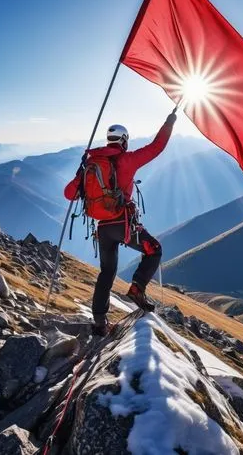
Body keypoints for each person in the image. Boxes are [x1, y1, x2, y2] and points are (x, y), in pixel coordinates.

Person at [64, 113, 176, 335]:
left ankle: (99, 322)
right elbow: (157, 147)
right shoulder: (127, 159)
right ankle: (137, 289)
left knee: (107, 272)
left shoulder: (92, 163)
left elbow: (69, 193)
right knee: (154, 250)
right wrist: (169, 122)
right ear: (124, 141)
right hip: (123, 224)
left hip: (102, 229)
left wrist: (82, 173)